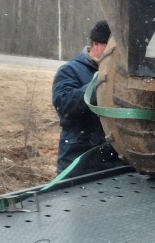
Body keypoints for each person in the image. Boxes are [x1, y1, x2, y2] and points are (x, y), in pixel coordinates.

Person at [52, 20, 123, 175]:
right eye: (110, 49)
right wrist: (98, 88)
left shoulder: (121, 73)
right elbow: (63, 104)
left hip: (115, 164)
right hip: (79, 164)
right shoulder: (70, 70)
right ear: (96, 44)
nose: (115, 54)